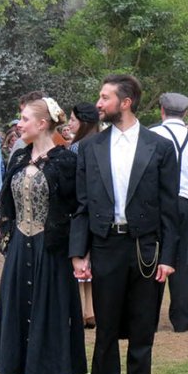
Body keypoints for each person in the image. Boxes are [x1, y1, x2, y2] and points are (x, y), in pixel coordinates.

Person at [69, 74, 179, 374]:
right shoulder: (90, 147)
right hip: (105, 246)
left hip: (145, 248)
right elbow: (81, 205)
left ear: (125, 102)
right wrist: (79, 253)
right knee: (105, 331)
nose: (98, 104)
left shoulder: (159, 147)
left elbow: (169, 207)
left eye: (105, 98)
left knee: (143, 330)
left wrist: (168, 258)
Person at [0, 97, 88, 374]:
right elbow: (6, 205)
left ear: (42, 123)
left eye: (24, 119)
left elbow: (77, 210)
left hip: (50, 250)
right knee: (15, 313)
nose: (19, 124)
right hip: (20, 246)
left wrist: (77, 251)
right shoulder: (18, 156)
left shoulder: (64, 162)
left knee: (46, 315)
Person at [151, 92, 188, 333]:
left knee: (153, 258)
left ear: (162, 110)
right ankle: (181, 318)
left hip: (157, 204)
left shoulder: (151, 136)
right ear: (185, 113)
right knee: (183, 260)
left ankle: (149, 317)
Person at [67, 103, 101, 329]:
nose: (69, 123)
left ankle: (81, 309)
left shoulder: (76, 149)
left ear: (83, 122)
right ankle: (91, 310)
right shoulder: (102, 143)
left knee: (80, 258)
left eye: (73, 119)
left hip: (80, 209)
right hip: (98, 211)